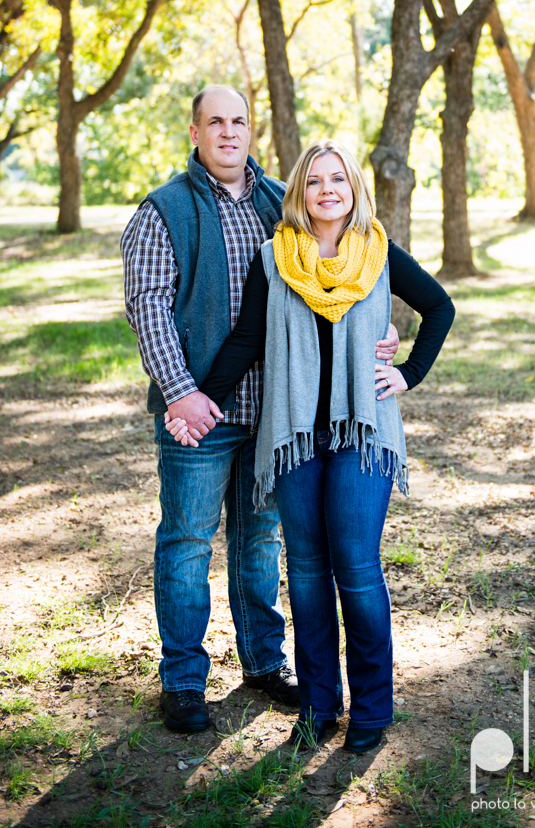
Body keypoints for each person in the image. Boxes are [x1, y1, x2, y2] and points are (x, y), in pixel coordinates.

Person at [120, 89, 400, 734]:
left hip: (281, 415)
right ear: (194, 132)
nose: (227, 132)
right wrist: (183, 394)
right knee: (189, 542)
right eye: (214, 122)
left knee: (261, 540)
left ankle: (264, 663)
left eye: (238, 121)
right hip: (202, 410)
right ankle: (186, 681)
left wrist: (382, 342)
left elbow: (340, 279)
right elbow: (149, 307)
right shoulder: (163, 211)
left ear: (252, 130)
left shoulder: (286, 200)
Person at [165, 139, 455, 753]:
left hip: (361, 433)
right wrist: (198, 404)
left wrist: (408, 372)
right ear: (300, 191)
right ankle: (320, 708)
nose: (328, 191)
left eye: (339, 181)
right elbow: (246, 341)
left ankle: (372, 711)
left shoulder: (377, 251)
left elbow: (438, 306)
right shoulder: (275, 259)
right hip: (293, 436)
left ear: (354, 190)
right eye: (316, 181)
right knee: (305, 575)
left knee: (355, 569)